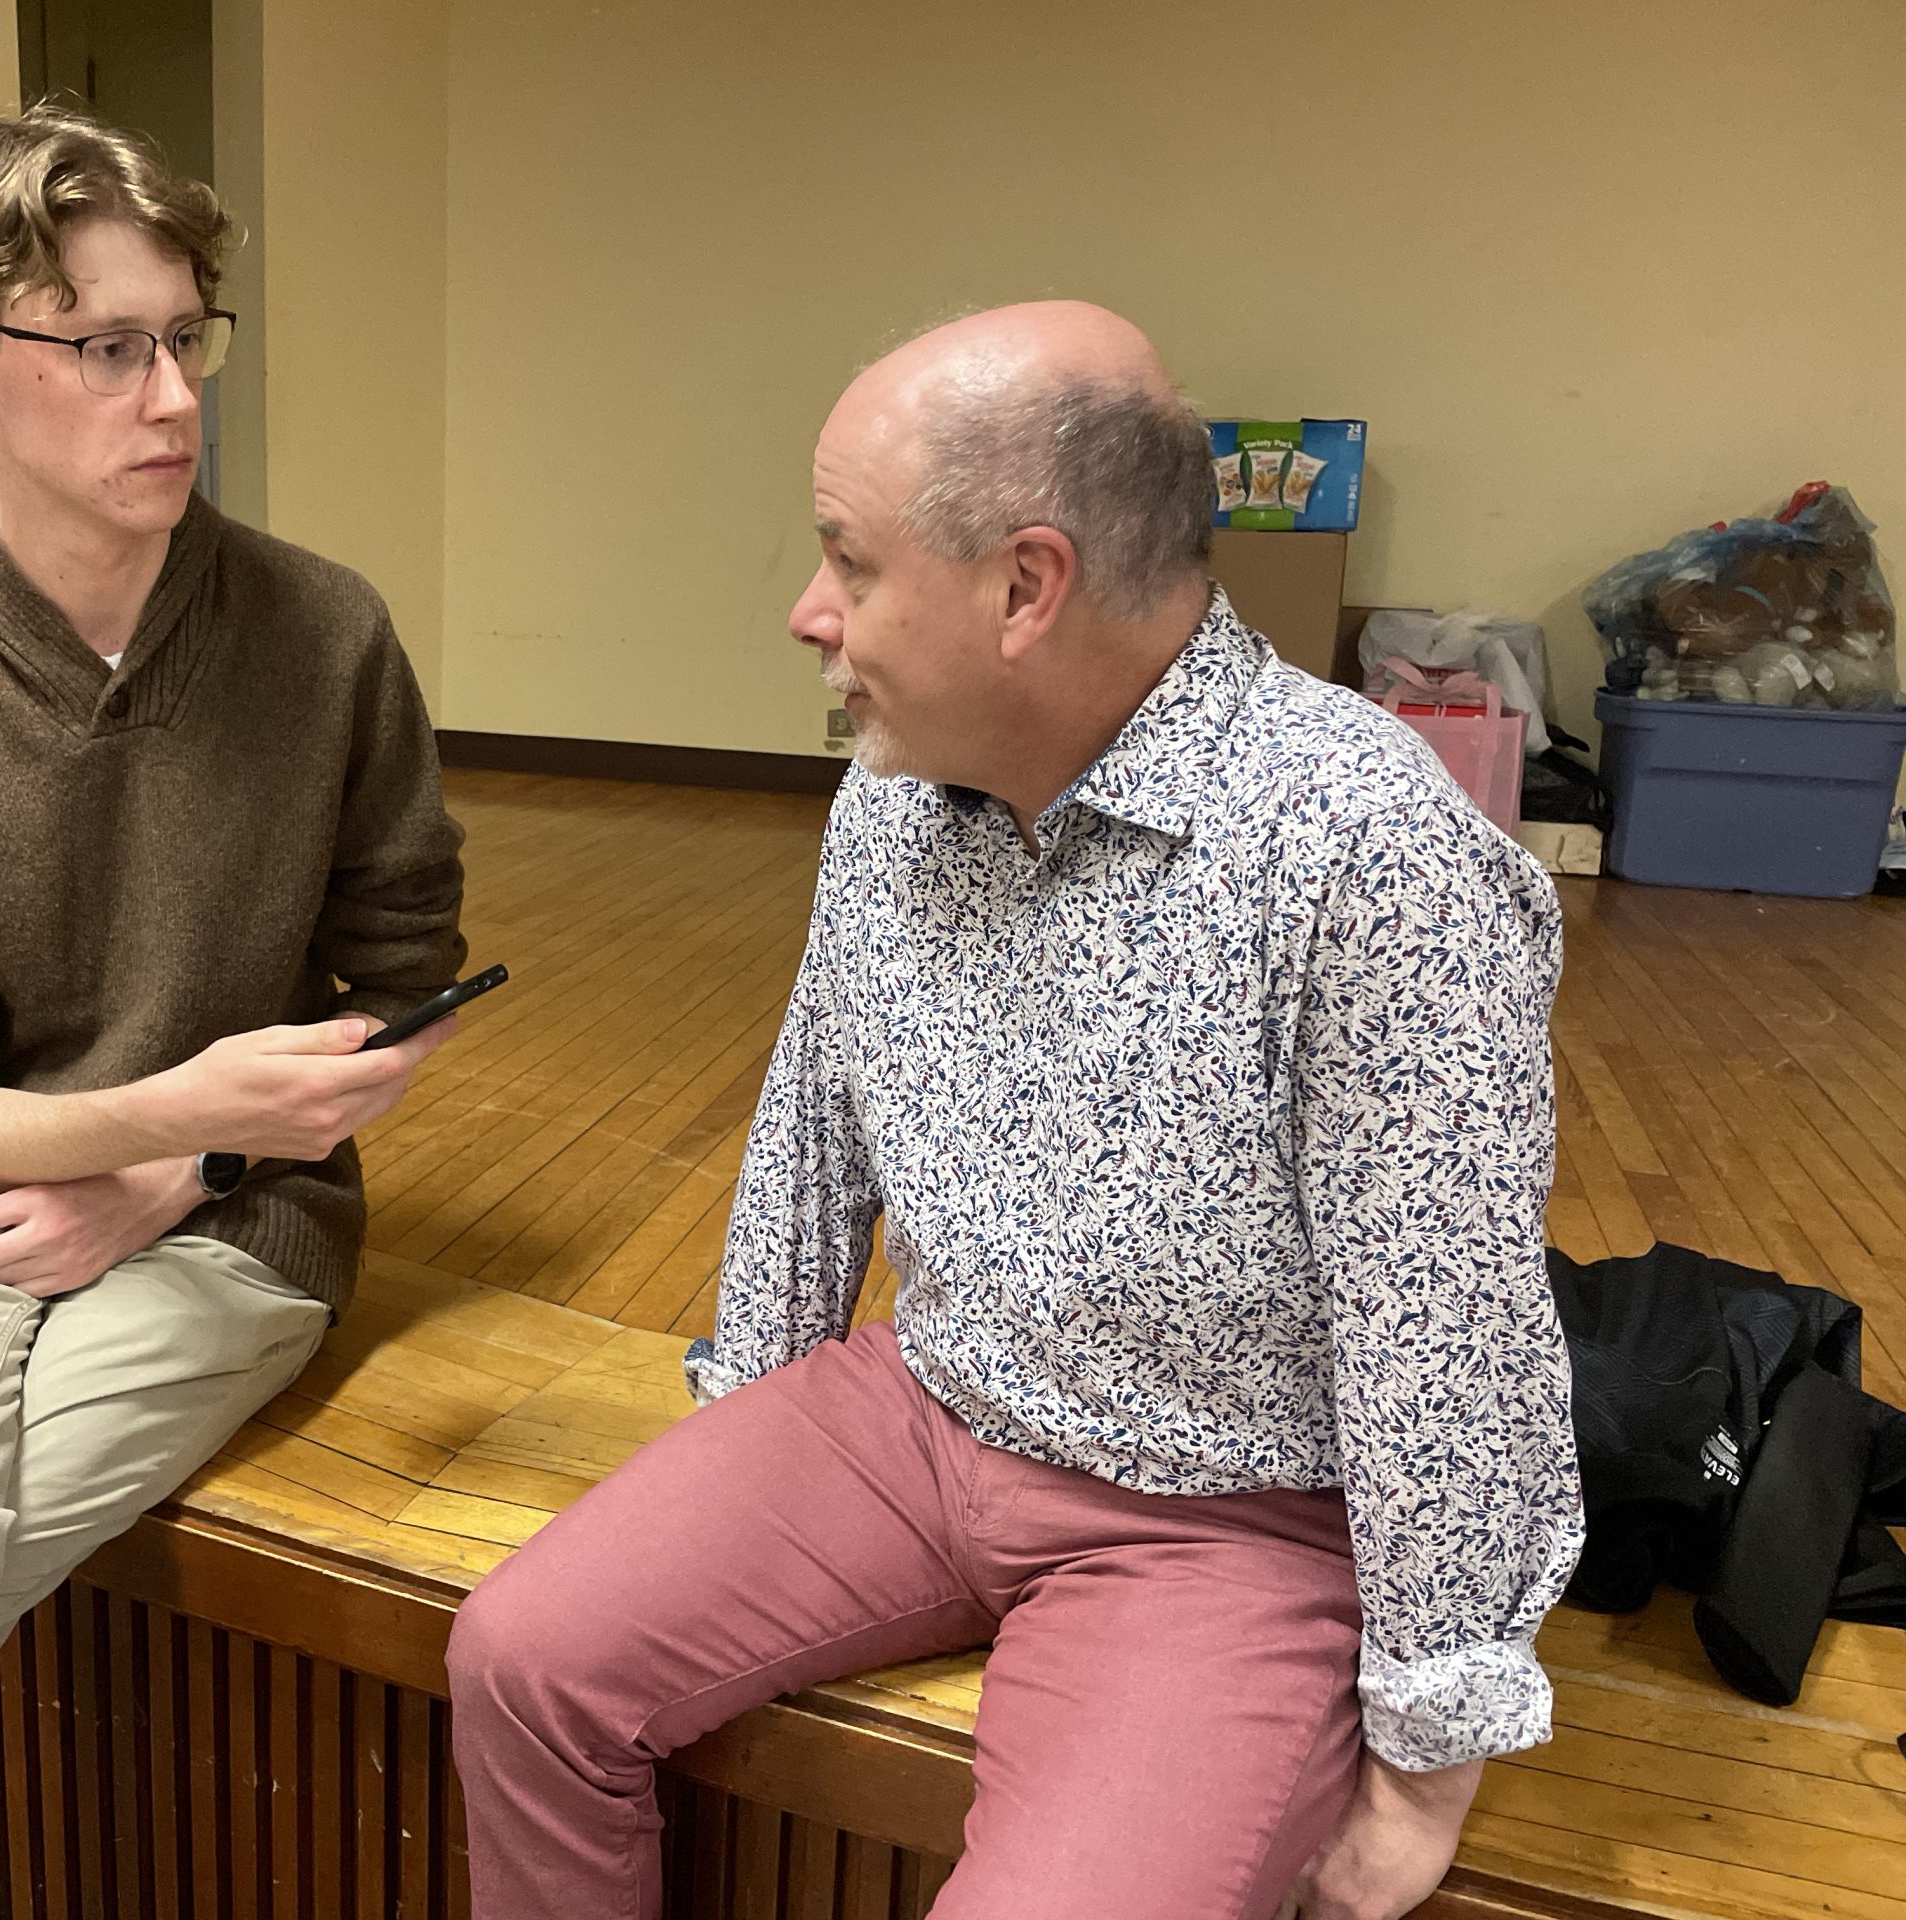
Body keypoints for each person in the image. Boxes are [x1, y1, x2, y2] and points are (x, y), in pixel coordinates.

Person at [444, 303, 1581, 1920]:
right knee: (522, 1662)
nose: (806, 611)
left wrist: (1428, 1756)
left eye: (848, 560)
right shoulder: (893, 796)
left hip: (1220, 1523)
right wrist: (745, 1429)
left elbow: (1448, 1339)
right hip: (919, 1412)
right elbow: (811, 1134)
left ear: (1026, 587)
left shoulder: (1368, 853)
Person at [0, 106, 466, 1919]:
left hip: (244, 1226)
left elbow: (414, 990)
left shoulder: (326, 634)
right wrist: (140, 1128)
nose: (172, 400)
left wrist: (180, 1159)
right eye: (108, 347)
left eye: (185, 339)